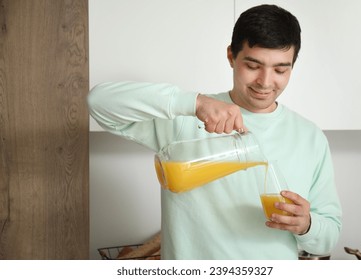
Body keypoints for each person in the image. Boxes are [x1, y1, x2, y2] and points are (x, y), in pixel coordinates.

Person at [88, 4, 342, 259]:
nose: (265, 82)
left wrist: (307, 225)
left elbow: (328, 237)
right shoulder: (186, 118)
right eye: (253, 66)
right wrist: (194, 103)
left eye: (280, 70)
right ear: (231, 56)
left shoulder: (310, 137)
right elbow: (98, 102)